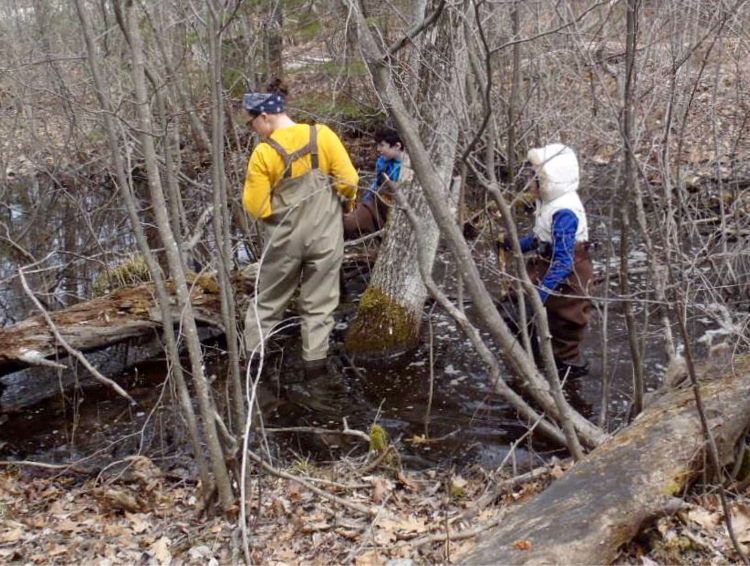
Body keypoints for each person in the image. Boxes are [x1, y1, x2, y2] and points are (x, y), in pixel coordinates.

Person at [242, 79, 359, 374]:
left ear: (265, 116)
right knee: (319, 307)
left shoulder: (264, 154)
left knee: (266, 305)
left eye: (252, 122)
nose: (252, 128)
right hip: (326, 237)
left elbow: (256, 207)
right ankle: (315, 372)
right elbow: (349, 182)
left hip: (284, 241)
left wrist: (277, 216)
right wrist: (345, 203)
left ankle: (253, 369)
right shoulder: (324, 136)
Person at [501, 143, 593, 376]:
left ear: (550, 180)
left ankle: (568, 378)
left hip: (568, 276)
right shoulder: (550, 203)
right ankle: (533, 355)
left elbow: (564, 260)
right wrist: (514, 244)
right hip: (547, 265)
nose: (530, 181)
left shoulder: (565, 212)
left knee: (564, 325)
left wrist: (539, 295)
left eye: (535, 177)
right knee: (514, 307)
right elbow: (542, 238)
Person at [343, 128, 413, 239]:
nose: (378, 149)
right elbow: (376, 184)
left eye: (382, 145)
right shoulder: (383, 161)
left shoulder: (408, 168)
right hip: (375, 203)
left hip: (392, 209)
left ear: (397, 146)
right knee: (348, 224)